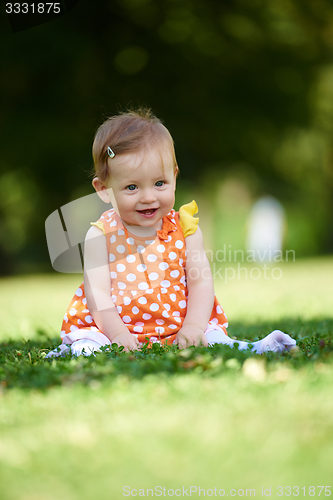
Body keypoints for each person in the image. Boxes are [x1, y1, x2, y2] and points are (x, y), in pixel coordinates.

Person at [46, 109, 296, 358]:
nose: (148, 197)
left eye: (159, 183)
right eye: (131, 187)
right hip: (111, 328)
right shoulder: (100, 235)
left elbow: (200, 282)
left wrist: (194, 326)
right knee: (91, 343)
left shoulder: (185, 229)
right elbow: (97, 294)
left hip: (177, 324)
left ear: (174, 177)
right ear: (103, 190)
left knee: (212, 338)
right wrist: (119, 336)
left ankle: (257, 347)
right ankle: (79, 350)